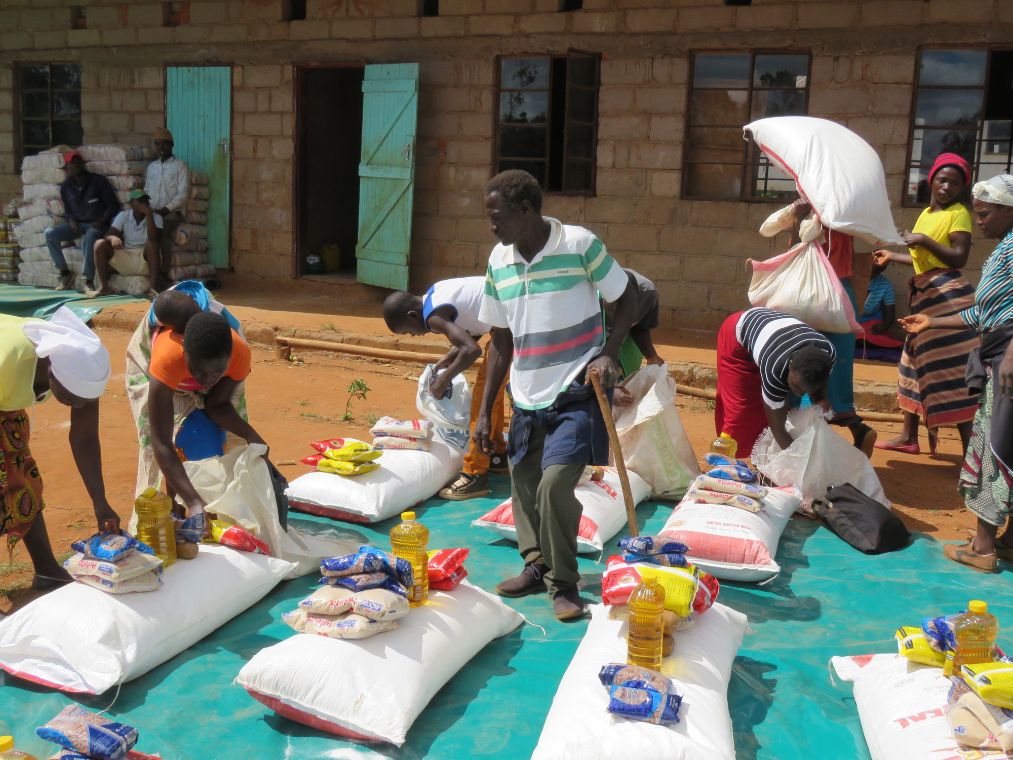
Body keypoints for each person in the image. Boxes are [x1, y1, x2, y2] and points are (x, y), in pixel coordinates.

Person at [473, 169, 637, 622]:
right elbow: (501, 343)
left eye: (497, 216)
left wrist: (608, 353)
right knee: (523, 486)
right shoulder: (499, 260)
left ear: (525, 210)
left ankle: (564, 585)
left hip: (576, 390)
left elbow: (629, 297)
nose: (492, 226)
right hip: (527, 395)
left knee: (554, 486)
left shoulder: (580, 245)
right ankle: (536, 564)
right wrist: (485, 411)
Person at [901, 174, 1013, 572]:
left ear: (1007, 210)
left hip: (1008, 360)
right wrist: (932, 322)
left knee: (996, 447)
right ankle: (1008, 540)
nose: (978, 220)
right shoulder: (1006, 247)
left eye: (984, 213)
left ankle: (983, 548)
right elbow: (982, 313)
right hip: (997, 350)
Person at [1, 307, 119, 589]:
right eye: (74, 399)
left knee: (22, 476)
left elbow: (84, 437)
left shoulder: (80, 367)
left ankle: (47, 570)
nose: (80, 406)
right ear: (51, 374)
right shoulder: (8, 363)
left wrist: (100, 502)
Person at [873, 152, 978, 455]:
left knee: (951, 370)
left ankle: (971, 453)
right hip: (926, 296)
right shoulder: (927, 215)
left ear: (962, 188)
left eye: (955, 183)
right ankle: (908, 437)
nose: (947, 186)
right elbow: (924, 262)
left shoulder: (958, 213)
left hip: (947, 298)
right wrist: (893, 255)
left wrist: (923, 240)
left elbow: (959, 258)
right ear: (931, 180)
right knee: (912, 366)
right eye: (942, 180)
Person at [125, 284, 251, 515]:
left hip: (200, 359)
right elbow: (161, 440)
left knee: (214, 441)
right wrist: (193, 501)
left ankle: (196, 504)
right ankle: (175, 505)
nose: (206, 382)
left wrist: (254, 439)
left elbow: (217, 404)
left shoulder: (238, 353)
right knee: (166, 444)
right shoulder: (167, 358)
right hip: (160, 371)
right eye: (199, 374)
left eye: (216, 375)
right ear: (185, 353)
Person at [382, 277, 508, 499]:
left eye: (409, 331)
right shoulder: (434, 293)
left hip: (509, 331)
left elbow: (471, 350)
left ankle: (475, 474)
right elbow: (474, 327)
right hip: (506, 324)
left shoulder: (432, 318)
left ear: (413, 316)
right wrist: (446, 361)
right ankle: (496, 453)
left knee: (483, 402)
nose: (414, 335)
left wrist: (444, 379)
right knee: (492, 396)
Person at [787, 200, 876, 456]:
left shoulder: (814, 217)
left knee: (801, 367)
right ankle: (859, 430)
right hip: (841, 297)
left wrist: (798, 219)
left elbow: (797, 249)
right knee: (834, 374)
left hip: (813, 297)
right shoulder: (844, 213)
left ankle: (803, 447)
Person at [715, 307, 836, 454]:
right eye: (797, 387)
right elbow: (778, 429)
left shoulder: (828, 355)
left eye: (805, 391)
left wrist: (822, 400)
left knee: (780, 409)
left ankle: (764, 454)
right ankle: (724, 458)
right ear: (790, 366)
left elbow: (821, 387)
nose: (798, 394)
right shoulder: (775, 367)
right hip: (735, 337)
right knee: (740, 412)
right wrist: (800, 461)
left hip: (772, 334)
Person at [44, 151, 119, 293]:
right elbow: (68, 210)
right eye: (72, 163)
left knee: (90, 236)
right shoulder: (66, 186)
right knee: (50, 233)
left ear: (83, 164)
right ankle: (65, 272)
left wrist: (101, 221)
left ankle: (88, 280)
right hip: (77, 225)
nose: (76, 165)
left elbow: (113, 205)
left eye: (78, 161)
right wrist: (71, 221)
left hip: (97, 224)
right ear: (67, 167)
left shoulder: (98, 181)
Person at [89, 189, 163, 299]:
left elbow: (154, 238)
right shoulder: (123, 216)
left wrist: (149, 215)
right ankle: (104, 288)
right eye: (139, 200)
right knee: (99, 244)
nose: (144, 203)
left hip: (145, 260)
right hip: (127, 258)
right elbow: (108, 234)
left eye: (145, 200)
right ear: (131, 204)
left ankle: (153, 289)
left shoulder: (156, 217)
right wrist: (113, 238)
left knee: (152, 244)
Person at [145, 127, 190, 288]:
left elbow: (183, 195)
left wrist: (165, 210)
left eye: (163, 144)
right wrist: (147, 208)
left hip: (171, 213)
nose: (160, 148)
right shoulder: (152, 168)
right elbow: (147, 191)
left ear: (171, 145)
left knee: (163, 233)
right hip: (154, 211)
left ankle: (163, 274)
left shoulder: (180, 166)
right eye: (157, 144)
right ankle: (150, 271)